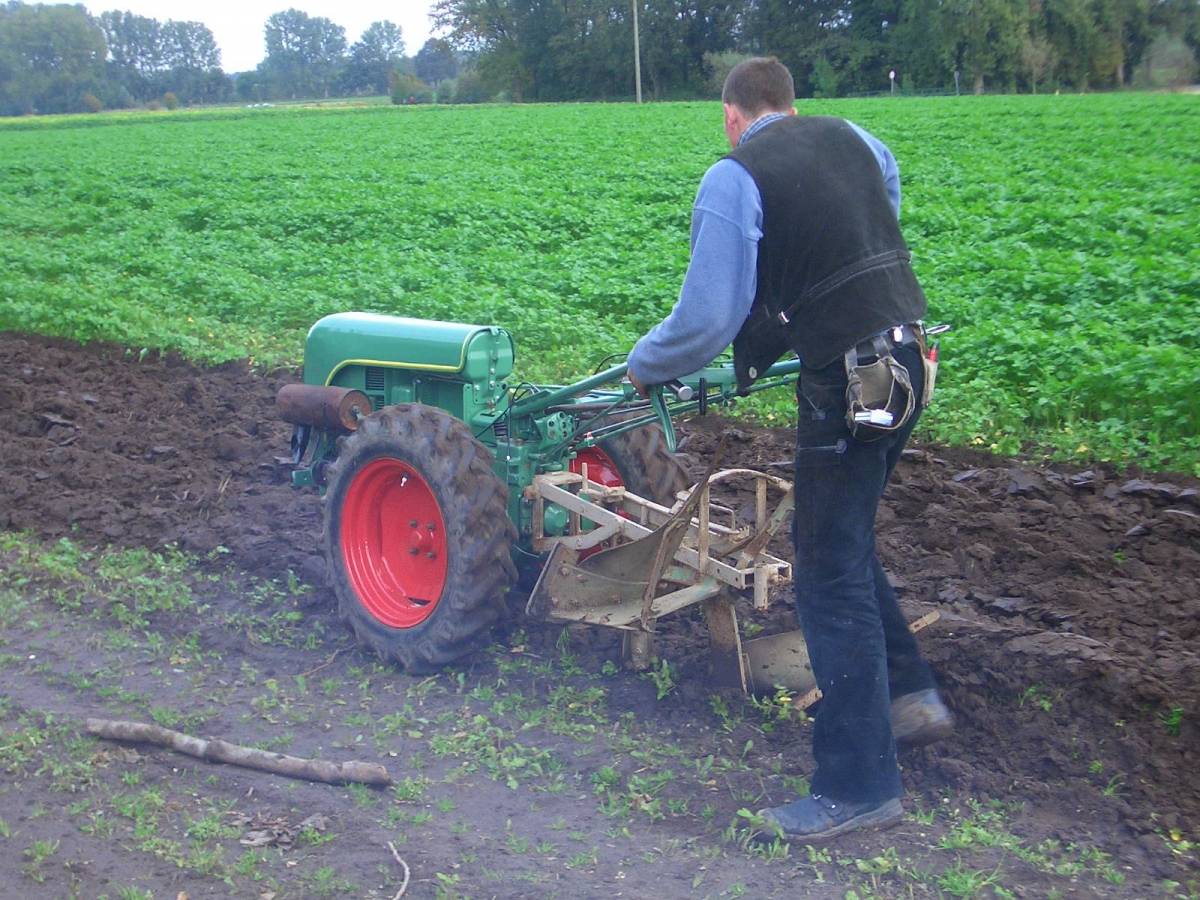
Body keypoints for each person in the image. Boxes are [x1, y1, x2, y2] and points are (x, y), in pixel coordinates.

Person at [626, 57, 953, 843]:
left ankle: (857, 785)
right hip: (910, 357)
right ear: (792, 105)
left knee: (826, 568)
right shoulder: (858, 140)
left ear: (732, 115)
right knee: (841, 538)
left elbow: (707, 318)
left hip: (849, 376)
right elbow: (876, 225)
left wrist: (646, 364)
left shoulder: (734, 176)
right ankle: (909, 696)